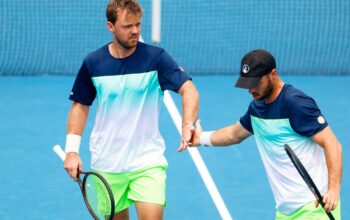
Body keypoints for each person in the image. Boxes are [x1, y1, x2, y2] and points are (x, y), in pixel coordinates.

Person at [63, 0, 199, 219]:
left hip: (147, 161)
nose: (135, 31)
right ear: (111, 26)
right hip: (107, 164)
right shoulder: (93, 63)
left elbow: (189, 90)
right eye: (127, 26)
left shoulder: (156, 58)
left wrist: (187, 124)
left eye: (138, 25)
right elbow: (80, 105)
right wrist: (71, 150)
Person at [191, 49, 342, 219]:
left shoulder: (295, 103)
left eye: (256, 82)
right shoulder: (257, 108)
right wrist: (200, 138)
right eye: (247, 84)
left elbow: (332, 144)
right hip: (285, 211)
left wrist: (333, 189)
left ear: (273, 74)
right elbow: (234, 134)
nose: (251, 89)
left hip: (313, 208)